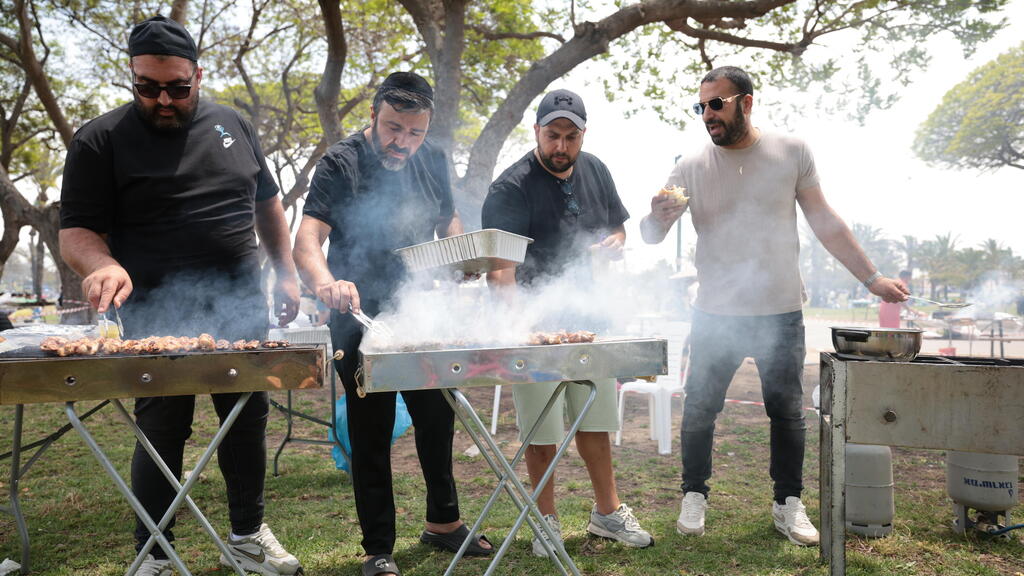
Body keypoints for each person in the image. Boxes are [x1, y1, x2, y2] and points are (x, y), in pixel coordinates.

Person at [59, 15, 301, 576]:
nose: (162, 100)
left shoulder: (235, 124)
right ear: (133, 77)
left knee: (246, 416)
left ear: (197, 74)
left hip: (240, 300)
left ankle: (246, 536)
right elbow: (76, 230)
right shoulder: (100, 139)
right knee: (164, 423)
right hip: (157, 306)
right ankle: (155, 551)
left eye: (176, 87)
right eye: (147, 87)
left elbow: (266, 203)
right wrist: (102, 264)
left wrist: (285, 270)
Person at [640, 66, 908, 546]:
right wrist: (655, 219)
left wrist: (871, 278)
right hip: (715, 312)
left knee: (786, 413)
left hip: (780, 311)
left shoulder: (791, 151)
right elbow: (650, 234)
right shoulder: (690, 166)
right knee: (700, 408)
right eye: (700, 107)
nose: (707, 115)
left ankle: (788, 504)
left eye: (716, 104)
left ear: (745, 102)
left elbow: (824, 220)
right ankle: (694, 495)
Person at [292, 71, 492, 576]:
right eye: (392, 128)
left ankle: (443, 524)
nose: (402, 142)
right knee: (371, 427)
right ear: (375, 115)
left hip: (419, 310)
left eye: (414, 132)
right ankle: (378, 547)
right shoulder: (341, 162)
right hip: (356, 311)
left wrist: (456, 253)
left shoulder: (433, 160)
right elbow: (307, 238)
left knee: (437, 416)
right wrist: (326, 283)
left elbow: (448, 219)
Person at [482, 88, 654, 557]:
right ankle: (546, 521)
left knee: (595, 423)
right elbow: (501, 270)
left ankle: (607, 514)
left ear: (583, 135)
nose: (562, 147)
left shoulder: (595, 168)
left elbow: (617, 226)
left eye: (571, 137)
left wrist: (615, 243)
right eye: (553, 135)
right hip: (535, 324)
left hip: (590, 320)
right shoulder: (510, 187)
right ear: (536, 131)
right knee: (542, 432)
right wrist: (521, 332)